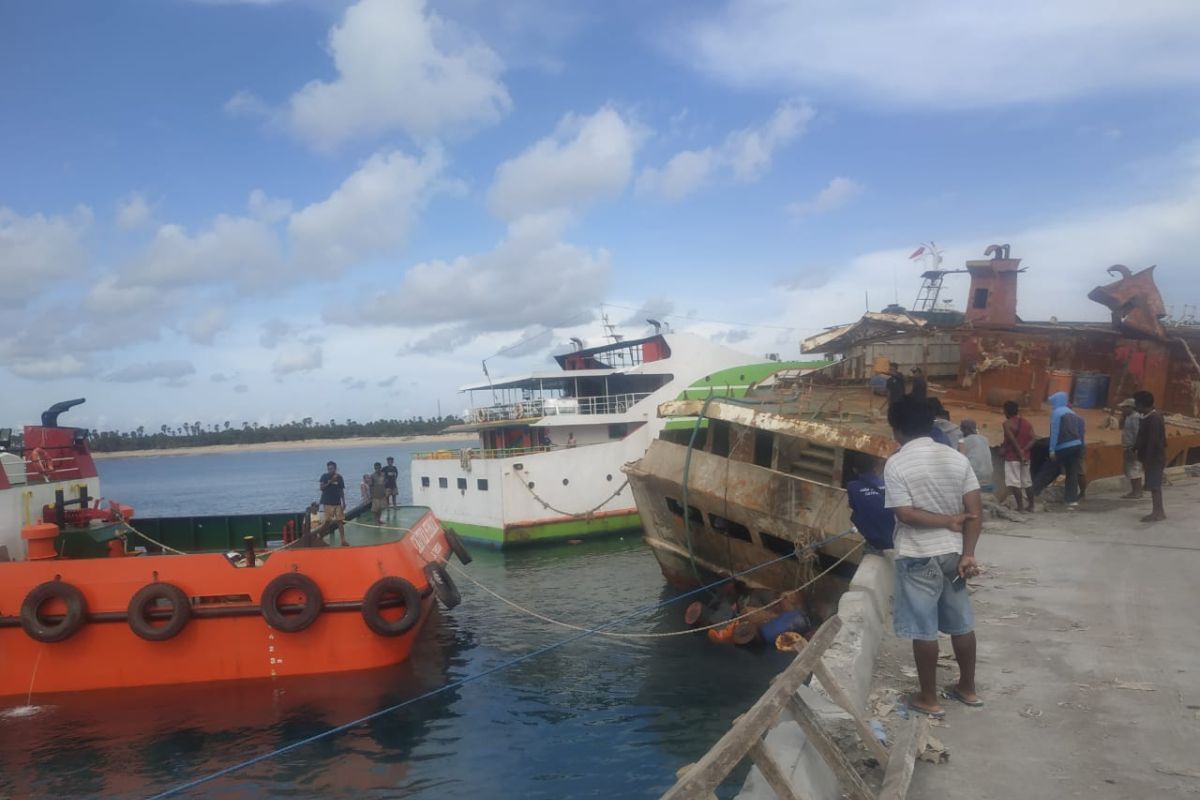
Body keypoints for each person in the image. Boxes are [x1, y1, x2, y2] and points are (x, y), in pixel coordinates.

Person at [884, 395, 983, 717]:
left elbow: (904, 514)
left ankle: (929, 698)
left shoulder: (896, 462)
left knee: (923, 628)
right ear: (931, 424)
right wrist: (968, 554)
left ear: (896, 430)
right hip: (953, 554)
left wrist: (943, 521)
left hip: (917, 555)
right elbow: (975, 513)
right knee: (961, 623)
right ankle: (967, 688)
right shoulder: (956, 458)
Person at [1031, 391, 1085, 508]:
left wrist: (1052, 450)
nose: (1052, 404)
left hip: (1063, 446)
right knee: (1072, 474)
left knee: (1048, 469)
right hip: (1076, 445)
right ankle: (1071, 500)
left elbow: (1054, 432)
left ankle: (1033, 492)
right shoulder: (1073, 413)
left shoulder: (1057, 413)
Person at [846, 454, 895, 552]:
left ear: (855, 470)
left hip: (875, 540)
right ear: (875, 467)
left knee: (855, 515)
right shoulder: (887, 484)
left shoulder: (852, 486)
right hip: (893, 537)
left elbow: (853, 506)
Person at [1134, 390, 1167, 522]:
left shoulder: (1153, 418)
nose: (1136, 407)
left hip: (1154, 458)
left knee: (1154, 486)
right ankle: (1158, 511)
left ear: (1142, 404)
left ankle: (1158, 512)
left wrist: (1147, 459)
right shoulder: (1149, 416)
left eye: (1136, 404)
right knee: (1154, 485)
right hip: (1153, 457)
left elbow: (1153, 441)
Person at [1000, 401, 1035, 512]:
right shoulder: (1027, 423)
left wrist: (1019, 452)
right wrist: (1024, 451)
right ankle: (1031, 506)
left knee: (1014, 482)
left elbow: (1012, 440)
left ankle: (1020, 507)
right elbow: (1034, 438)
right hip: (1025, 457)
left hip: (1012, 457)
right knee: (1027, 482)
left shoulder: (1007, 424)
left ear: (1006, 411)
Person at [958, 419, 994, 492]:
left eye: (961, 429)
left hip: (974, 476)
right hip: (989, 475)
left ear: (965, 429)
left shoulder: (963, 441)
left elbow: (960, 460)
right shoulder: (985, 439)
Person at [1118, 398, 1144, 499]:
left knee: (1134, 469)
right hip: (1128, 447)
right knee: (1129, 469)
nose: (1122, 410)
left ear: (1131, 407)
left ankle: (1137, 492)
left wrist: (1135, 449)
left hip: (1133, 447)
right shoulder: (1128, 417)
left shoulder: (1135, 418)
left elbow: (1138, 434)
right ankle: (1135, 490)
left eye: (1124, 408)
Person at [318, 461, 348, 546]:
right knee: (327, 522)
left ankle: (343, 540)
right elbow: (321, 488)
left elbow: (341, 490)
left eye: (331, 468)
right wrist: (330, 482)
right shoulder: (324, 476)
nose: (330, 470)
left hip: (337, 502)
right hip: (327, 502)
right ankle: (320, 536)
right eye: (328, 469)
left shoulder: (340, 477)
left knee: (340, 521)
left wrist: (344, 502)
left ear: (335, 468)